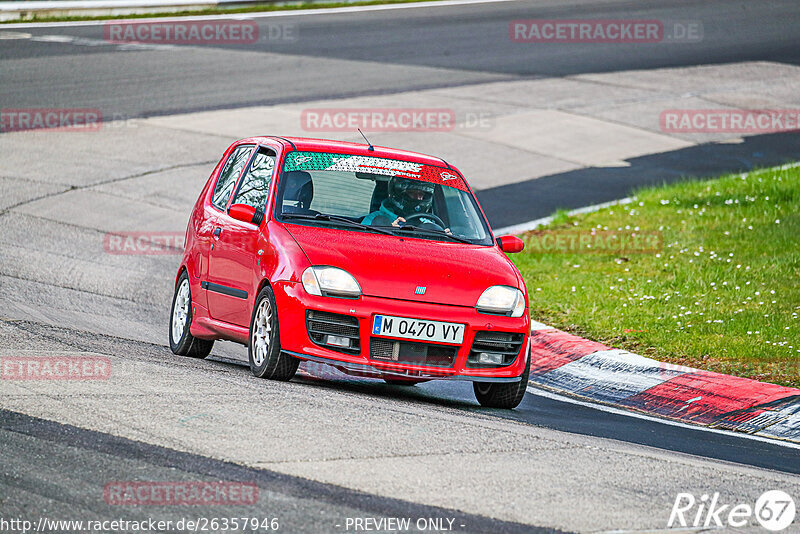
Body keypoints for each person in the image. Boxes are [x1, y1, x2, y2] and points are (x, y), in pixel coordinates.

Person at [362, 176, 436, 226]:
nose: (418, 198)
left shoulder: (427, 224)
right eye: (413, 193)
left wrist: (443, 235)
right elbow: (361, 243)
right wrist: (386, 230)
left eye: (421, 194)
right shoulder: (373, 219)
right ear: (398, 194)